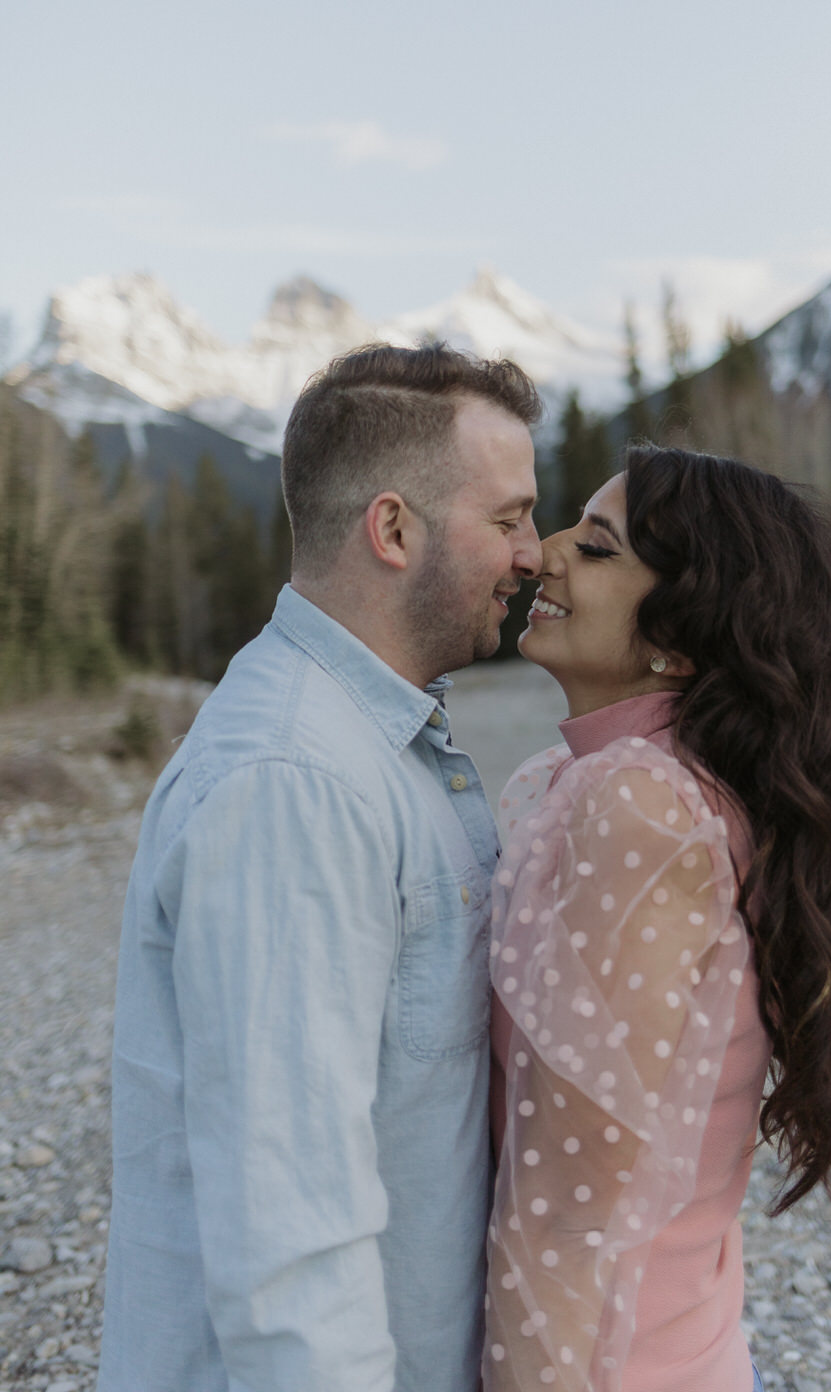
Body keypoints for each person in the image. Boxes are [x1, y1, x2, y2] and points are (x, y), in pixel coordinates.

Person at [97, 344, 542, 1392]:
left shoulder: (369, 744)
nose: (535, 553)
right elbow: (285, 1227)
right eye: (510, 516)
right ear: (392, 529)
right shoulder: (295, 780)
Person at [484, 445, 831, 1392]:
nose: (540, 552)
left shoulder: (637, 807)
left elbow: (570, 1207)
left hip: (609, 1363)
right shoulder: (688, 788)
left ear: (677, 641)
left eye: (596, 550)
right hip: (681, 1339)